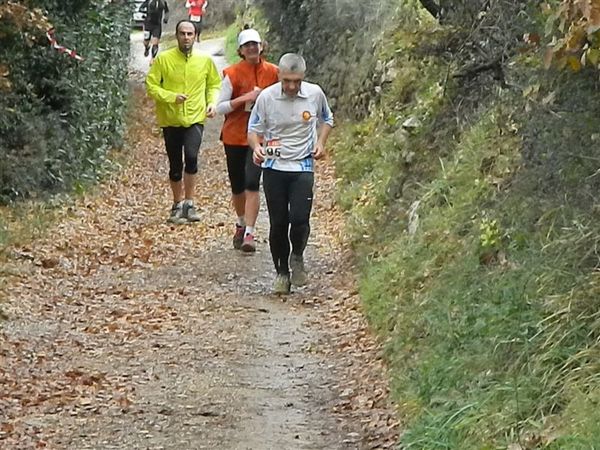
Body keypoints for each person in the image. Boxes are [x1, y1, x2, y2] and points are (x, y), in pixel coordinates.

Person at [248, 53, 334, 294]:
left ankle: (297, 255)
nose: (292, 86)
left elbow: (328, 119)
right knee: (278, 223)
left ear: (303, 78)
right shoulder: (267, 97)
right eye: (287, 81)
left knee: (299, 219)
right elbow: (253, 129)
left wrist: (321, 142)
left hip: (303, 166)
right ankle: (281, 273)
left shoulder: (315, 94)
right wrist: (256, 148)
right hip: (274, 167)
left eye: (297, 81)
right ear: (279, 77)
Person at [146, 20, 221, 224]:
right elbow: (151, 85)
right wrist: (171, 97)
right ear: (176, 36)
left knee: (192, 157)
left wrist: (212, 103)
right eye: (182, 33)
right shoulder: (163, 59)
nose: (186, 37)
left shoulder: (204, 61)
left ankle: (189, 202)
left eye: (190, 34)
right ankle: (176, 203)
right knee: (175, 164)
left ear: (195, 36)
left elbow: (214, 84)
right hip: (170, 119)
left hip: (195, 118)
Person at [216, 29, 279, 252]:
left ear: (262, 46)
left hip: (263, 137)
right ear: (241, 50)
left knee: (253, 182)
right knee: (238, 185)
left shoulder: (274, 72)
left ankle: (250, 233)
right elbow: (219, 106)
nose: (252, 48)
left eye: (255, 44)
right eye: (247, 45)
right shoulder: (232, 73)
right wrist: (245, 98)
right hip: (234, 135)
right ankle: (241, 222)